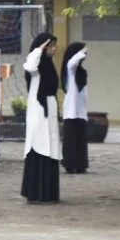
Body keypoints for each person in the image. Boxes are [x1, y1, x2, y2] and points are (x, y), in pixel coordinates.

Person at [21, 33, 61, 203]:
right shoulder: (36, 68)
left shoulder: (49, 65)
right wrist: (39, 49)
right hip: (39, 111)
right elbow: (29, 65)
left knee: (50, 147)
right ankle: (36, 191)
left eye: (54, 46)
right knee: (39, 145)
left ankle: (49, 192)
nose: (53, 50)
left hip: (50, 109)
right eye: (50, 46)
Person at [61, 42, 89, 174]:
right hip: (71, 110)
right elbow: (73, 61)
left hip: (81, 111)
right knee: (71, 140)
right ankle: (70, 164)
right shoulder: (71, 69)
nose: (85, 55)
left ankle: (80, 164)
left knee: (80, 139)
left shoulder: (81, 72)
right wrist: (81, 51)